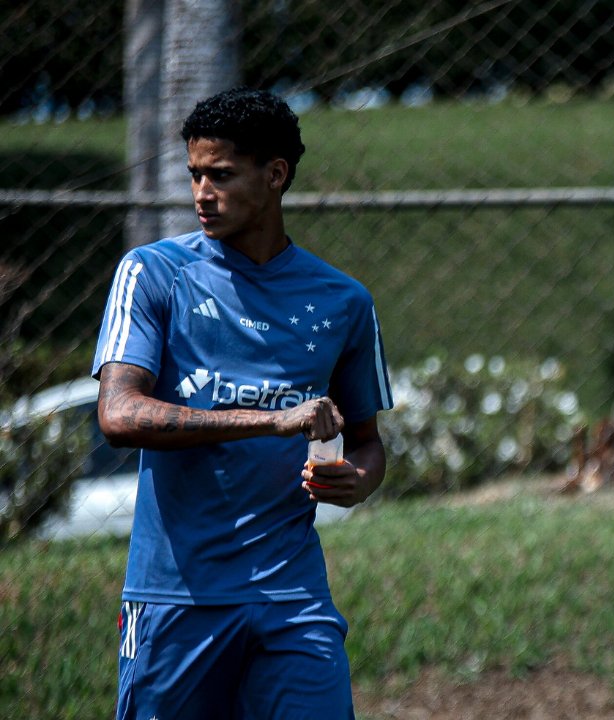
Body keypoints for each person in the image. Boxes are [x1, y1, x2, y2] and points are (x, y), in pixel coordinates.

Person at [94, 88, 393, 719]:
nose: (201, 193)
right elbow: (118, 416)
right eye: (195, 175)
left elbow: (368, 443)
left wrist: (357, 480)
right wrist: (271, 421)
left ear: (275, 174)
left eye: (221, 175)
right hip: (176, 597)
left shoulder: (344, 301)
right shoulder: (152, 274)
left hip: (293, 598)